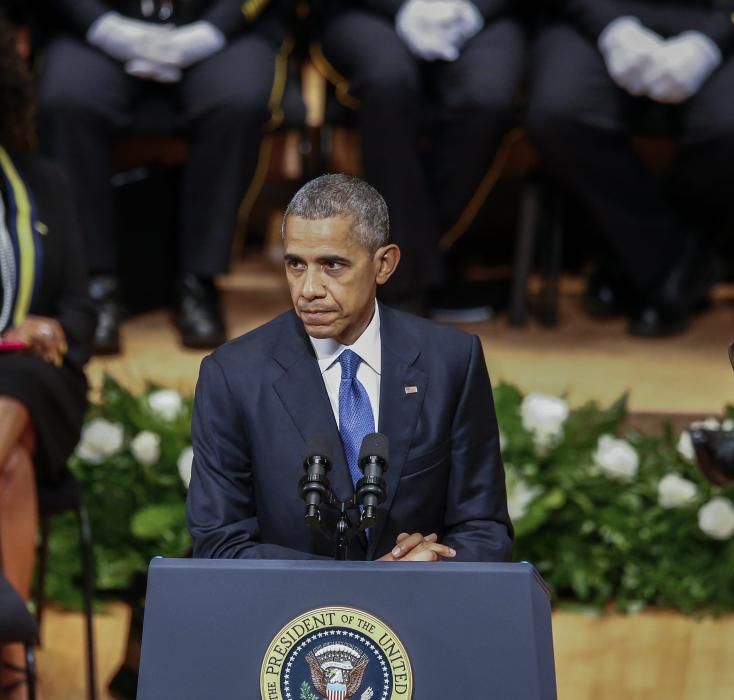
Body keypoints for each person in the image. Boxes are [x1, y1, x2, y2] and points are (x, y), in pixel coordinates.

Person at [186, 173, 512, 562]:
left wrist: (436, 565)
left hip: (419, 614)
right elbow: (220, 544)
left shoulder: (451, 361)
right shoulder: (233, 375)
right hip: (290, 618)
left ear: (384, 265)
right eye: (295, 264)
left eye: (332, 265)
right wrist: (363, 586)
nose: (308, 289)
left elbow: (485, 530)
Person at [38, 0, 295, 354]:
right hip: (97, 24)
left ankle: (199, 280)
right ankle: (95, 285)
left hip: (220, 25)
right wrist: (104, 29)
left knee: (238, 99)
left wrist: (211, 31)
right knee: (66, 99)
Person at [526, 0, 734, 337]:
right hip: (594, 14)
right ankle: (677, 268)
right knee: (559, 112)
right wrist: (612, 26)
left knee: (728, 126)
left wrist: (710, 39)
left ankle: (627, 263)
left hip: (717, 16)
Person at [314, 0, 526, 312]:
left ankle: (409, 260)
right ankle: (408, 283)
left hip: (484, 15)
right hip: (368, 11)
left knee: (486, 98)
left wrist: (472, 9)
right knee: (388, 81)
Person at [0, 12, 95, 699]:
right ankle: (10, 658)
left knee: (16, 393)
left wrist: (54, 332)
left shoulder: (43, 181)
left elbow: (81, 311)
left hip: (35, 380)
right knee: (9, 467)